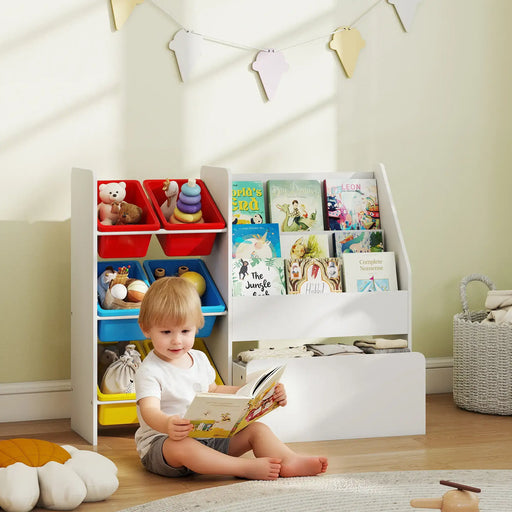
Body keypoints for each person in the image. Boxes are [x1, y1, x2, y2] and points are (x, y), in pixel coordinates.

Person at [134, 277, 328, 480]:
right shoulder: (149, 371)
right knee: (182, 446)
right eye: (166, 332)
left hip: (208, 439)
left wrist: (259, 393)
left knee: (257, 430)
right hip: (164, 446)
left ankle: (289, 460)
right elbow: (149, 411)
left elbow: (214, 390)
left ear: (198, 326)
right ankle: (242, 468)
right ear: (146, 328)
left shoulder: (199, 359)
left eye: (185, 331)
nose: (177, 340)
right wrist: (167, 424)